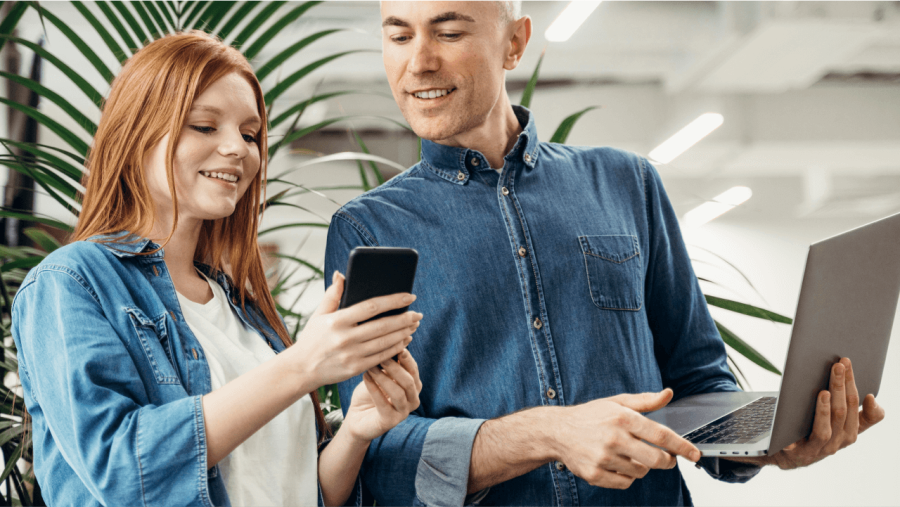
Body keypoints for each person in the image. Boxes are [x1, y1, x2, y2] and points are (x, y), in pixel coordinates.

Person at [323, 1, 886, 506]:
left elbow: (697, 379)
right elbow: (377, 455)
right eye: (399, 37)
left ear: (514, 43)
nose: (418, 62)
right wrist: (548, 433)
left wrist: (771, 441)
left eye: (447, 33)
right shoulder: (367, 229)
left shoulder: (626, 183)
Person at [11, 31, 424, 507]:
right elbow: (120, 471)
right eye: (205, 127)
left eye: (250, 135)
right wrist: (302, 366)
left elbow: (294, 490)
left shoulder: (242, 310)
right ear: (137, 132)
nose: (238, 149)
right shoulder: (71, 283)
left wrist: (356, 429)